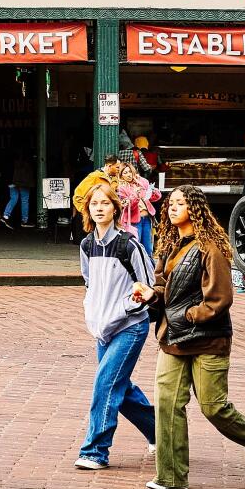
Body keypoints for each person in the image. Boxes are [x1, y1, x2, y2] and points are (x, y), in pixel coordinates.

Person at [132, 186, 245, 489]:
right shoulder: (168, 245)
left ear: (194, 208)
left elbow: (220, 299)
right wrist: (149, 295)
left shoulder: (210, 248)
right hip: (174, 339)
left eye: (180, 203)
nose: (172, 207)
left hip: (208, 339)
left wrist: (188, 316)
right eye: (170, 203)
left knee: (213, 406)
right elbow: (163, 287)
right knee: (167, 404)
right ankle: (170, 477)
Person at [75, 182, 155, 470]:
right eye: (94, 204)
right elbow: (89, 282)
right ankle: (160, 431)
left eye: (105, 203)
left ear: (115, 208)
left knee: (105, 385)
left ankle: (95, 451)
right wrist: (93, 313)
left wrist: (124, 308)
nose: (99, 208)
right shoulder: (87, 244)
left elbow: (148, 286)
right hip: (102, 330)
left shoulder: (129, 244)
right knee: (120, 388)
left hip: (130, 327)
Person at [2, 157, 31, 226]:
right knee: (24, 201)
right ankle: (24, 221)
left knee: (14, 198)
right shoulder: (26, 162)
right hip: (24, 183)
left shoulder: (12, 162)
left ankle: (5, 216)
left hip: (12, 182)